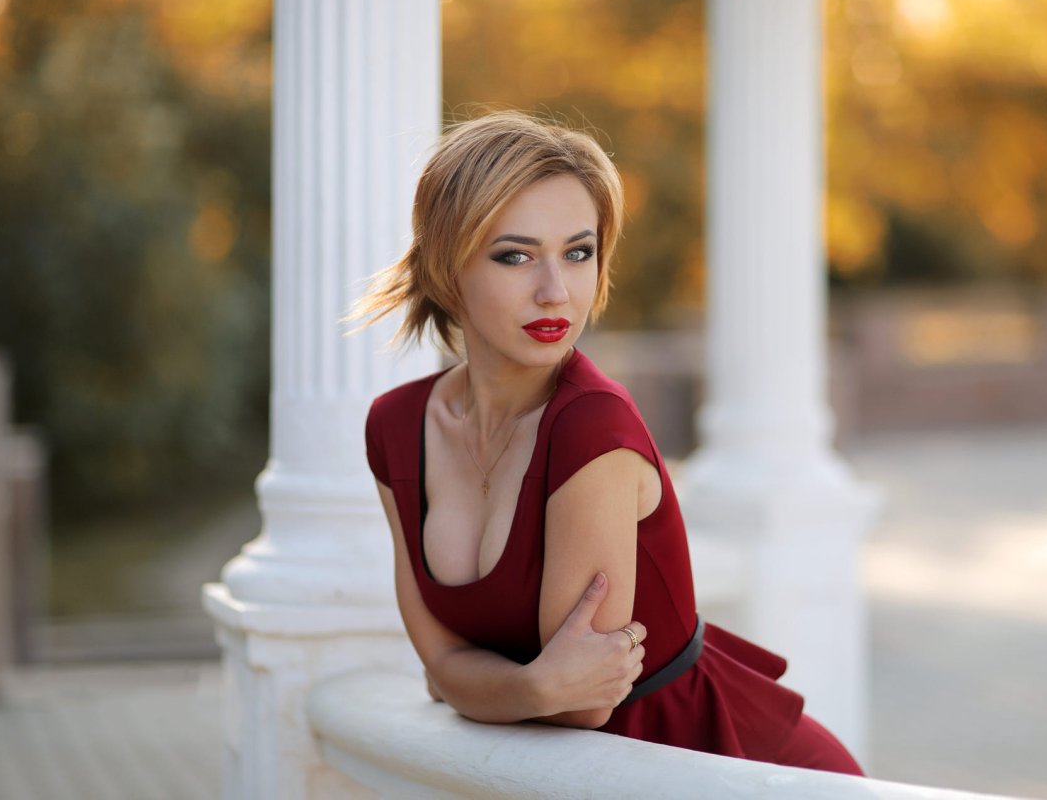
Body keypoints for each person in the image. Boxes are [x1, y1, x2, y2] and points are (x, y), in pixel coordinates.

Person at [354, 111, 863, 775]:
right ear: (448, 265)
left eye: (578, 252)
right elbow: (442, 660)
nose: (555, 292)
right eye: (515, 256)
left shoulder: (593, 428)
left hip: (722, 768)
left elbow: (582, 701)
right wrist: (527, 688)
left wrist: (491, 689)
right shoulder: (397, 428)